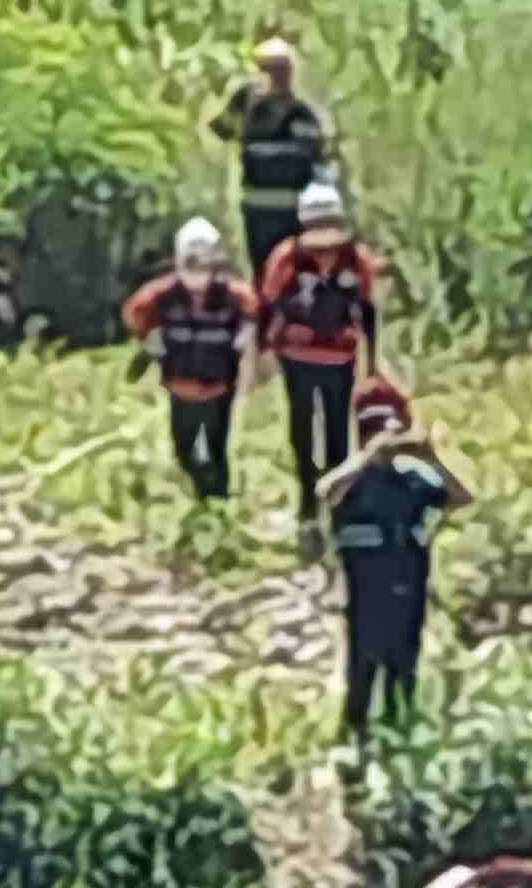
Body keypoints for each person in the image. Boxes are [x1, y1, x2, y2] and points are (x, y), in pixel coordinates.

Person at [317, 377, 469, 745]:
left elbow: (461, 498)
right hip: (365, 588)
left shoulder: (415, 478)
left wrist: (432, 457)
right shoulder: (352, 477)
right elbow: (325, 493)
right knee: (362, 663)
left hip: (409, 580)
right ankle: (354, 733)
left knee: (403, 661)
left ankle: (399, 729)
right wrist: (369, 457)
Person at [255, 180, 384, 528]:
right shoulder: (287, 257)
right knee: (301, 427)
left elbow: (368, 311)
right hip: (296, 358)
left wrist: (371, 364)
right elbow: (269, 307)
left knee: (338, 432)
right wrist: (262, 354)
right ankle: (307, 502)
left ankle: (338, 500)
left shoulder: (356, 260)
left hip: (340, 358)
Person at [121, 217, 255, 504]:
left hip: (218, 388)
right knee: (183, 451)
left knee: (217, 452)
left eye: (203, 262)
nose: (197, 268)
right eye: (191, 261)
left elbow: (254, 315)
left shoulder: (234, 296)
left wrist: (247, 340)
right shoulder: (161, 295)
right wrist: (149, 339)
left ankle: (218, 506)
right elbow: (133, 313)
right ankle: (202, 493)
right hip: (179, 387)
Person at [208, 35, 335, 288]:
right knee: (264, 274)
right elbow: (220, 129)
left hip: (295, 209)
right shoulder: (246, 102)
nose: (276, 76)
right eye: (269, 69)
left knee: (294, 274)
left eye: (282, 69)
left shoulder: (301, 111)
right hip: (258, 207)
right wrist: (247, 106)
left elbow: (319, 153)